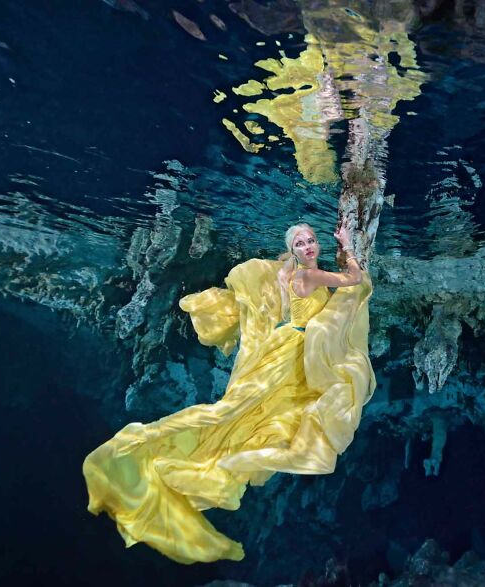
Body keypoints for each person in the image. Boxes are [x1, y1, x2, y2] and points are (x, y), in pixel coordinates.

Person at [82, 222, 376, 564]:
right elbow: (354, 279)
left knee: (250, 413)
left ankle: (191, 463)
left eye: (311, 240)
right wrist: (348, 249)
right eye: (301, 243)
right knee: (247, 413)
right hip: (294, 352)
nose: (309, 246)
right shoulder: (309, 277)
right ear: (293, 249)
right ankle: (181, 461)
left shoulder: (289, 271)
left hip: (288, 347)